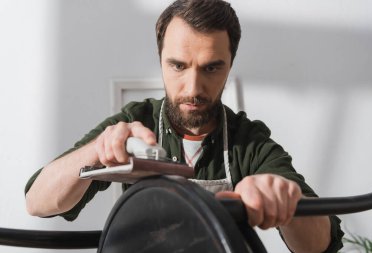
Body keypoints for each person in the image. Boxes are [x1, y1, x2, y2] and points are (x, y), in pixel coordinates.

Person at [25, 0, 343, 252]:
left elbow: (320, 245)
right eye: (178, 66)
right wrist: (97, 151)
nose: (193, 88)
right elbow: (37, 201)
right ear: (160, 58)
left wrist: (282, 198)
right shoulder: (136, 122)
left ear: (230, 64)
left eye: (211, 68)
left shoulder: (249, 143)